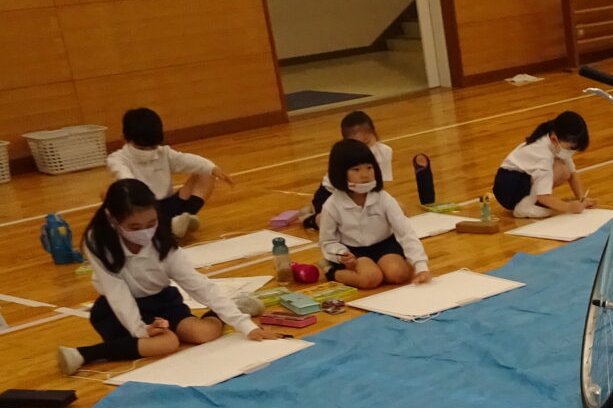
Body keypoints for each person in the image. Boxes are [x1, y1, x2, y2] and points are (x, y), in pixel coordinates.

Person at [55, 179, 272, 375]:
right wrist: (140, 330)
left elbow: (197, 285)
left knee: (203, 334)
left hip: (161, 301)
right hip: (116, 309)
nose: (144, 232)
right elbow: (116, 292)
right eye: (134, 227)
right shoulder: (98, 241)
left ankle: (230, 309)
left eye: (151, 223)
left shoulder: (163, 243)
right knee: (167, 344)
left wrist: (247, 327)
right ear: (113, 220)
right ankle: (83, 354)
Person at [105, 107, 233, 243]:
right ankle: (168, 226)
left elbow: (186, 160)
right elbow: (127, 180)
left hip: (169, 204)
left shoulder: (163, 153)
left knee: (205, 173)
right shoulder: (117, 159)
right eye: (142, 148)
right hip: (143, 210)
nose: (149, 151)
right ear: (124, 139)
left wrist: (212, 168)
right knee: (109, 193)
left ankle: (180, 219)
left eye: (153, 147)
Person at [317, 140, 431, 291]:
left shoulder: (383, 198)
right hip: (354, 251)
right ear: (340, 173)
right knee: (370, 279)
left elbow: (405, 232)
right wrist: (340, 254)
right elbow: (327, 241)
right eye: (356, 169)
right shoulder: (332, 205)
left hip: (385, 244)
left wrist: (421, 266)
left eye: (369, 167)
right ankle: (331, 271)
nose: (364, 175)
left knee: (399, 274)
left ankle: (385, 266)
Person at [302, 110, 394, 232]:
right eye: (358, 144)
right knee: (336, 224)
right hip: (334, 193)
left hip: (361, 193)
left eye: (367, 141)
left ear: (374, 133)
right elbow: (342, 188)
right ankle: (310, 218)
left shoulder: (385, 151)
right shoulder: (345, 155)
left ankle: (312, 208)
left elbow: (379, 185)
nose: (363, 149)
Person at [493, 111, 593, 219]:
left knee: (565, 170)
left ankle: (530, 200)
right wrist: (568, 207)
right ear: (554, 139)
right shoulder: (543, 155)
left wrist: (582, 198)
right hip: (509, 186)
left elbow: (572, 173)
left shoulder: (554, 141)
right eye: (569, 149)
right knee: (559, 170)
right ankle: (523, 207)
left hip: (520, 179)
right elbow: (543, 197)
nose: (571, 153)